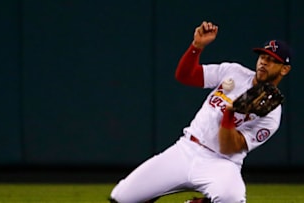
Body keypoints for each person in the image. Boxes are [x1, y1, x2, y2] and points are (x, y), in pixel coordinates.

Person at [109, 21, 292, 203]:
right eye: (263, 57)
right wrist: (196, 47)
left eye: (272, 60)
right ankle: (153, 191)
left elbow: (229, 147)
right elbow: (186, 76)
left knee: (231, 199)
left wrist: (229, 115)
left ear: (284, 69)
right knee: (121, 197)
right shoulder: (234, 72)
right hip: (186, 149)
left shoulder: (272, 114)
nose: (264, 63)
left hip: (221, 163)